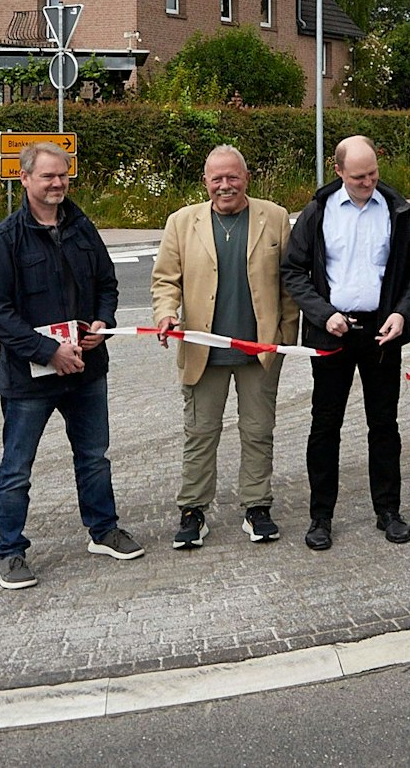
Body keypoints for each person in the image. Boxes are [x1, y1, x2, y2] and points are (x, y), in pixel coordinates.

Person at [0, 142, 141, 589]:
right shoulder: (4, 240)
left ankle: (103, 530)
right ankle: (9, 553)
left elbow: (107, 284)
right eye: (48, 176)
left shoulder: (82, 227)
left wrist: (103, 323)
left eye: (63, 175)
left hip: (87, 369)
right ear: (25, 179)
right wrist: (47, 351)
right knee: (17, 469)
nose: (58, 183)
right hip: (29, 378)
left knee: (94, 457)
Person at [282, 135, 410, 550]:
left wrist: (402, 312)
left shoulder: (397, 210)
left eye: (373, 174)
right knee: (325, 426)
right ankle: (321, 517)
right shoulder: (318, 211)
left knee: (384, 425)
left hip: (383, 334)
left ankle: (388, 511)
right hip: (332, 332)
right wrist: (322, 313)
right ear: (339, 172)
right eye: (359, 176)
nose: (368, 182)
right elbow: (293, 271)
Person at [151, 145, 299, 550]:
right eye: (216, 178)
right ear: (205, 182)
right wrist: (166, 314)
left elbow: (290, 284)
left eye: (232, 177)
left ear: (246, 179)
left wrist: (284, 338)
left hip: (259, 352)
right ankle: (193, 510)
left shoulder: (276, 218)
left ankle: (257, 506)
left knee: (257, 431)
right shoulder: (181, 223)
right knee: (200, 433)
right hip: (203, 351)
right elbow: (166, 281)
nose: (225, 186)